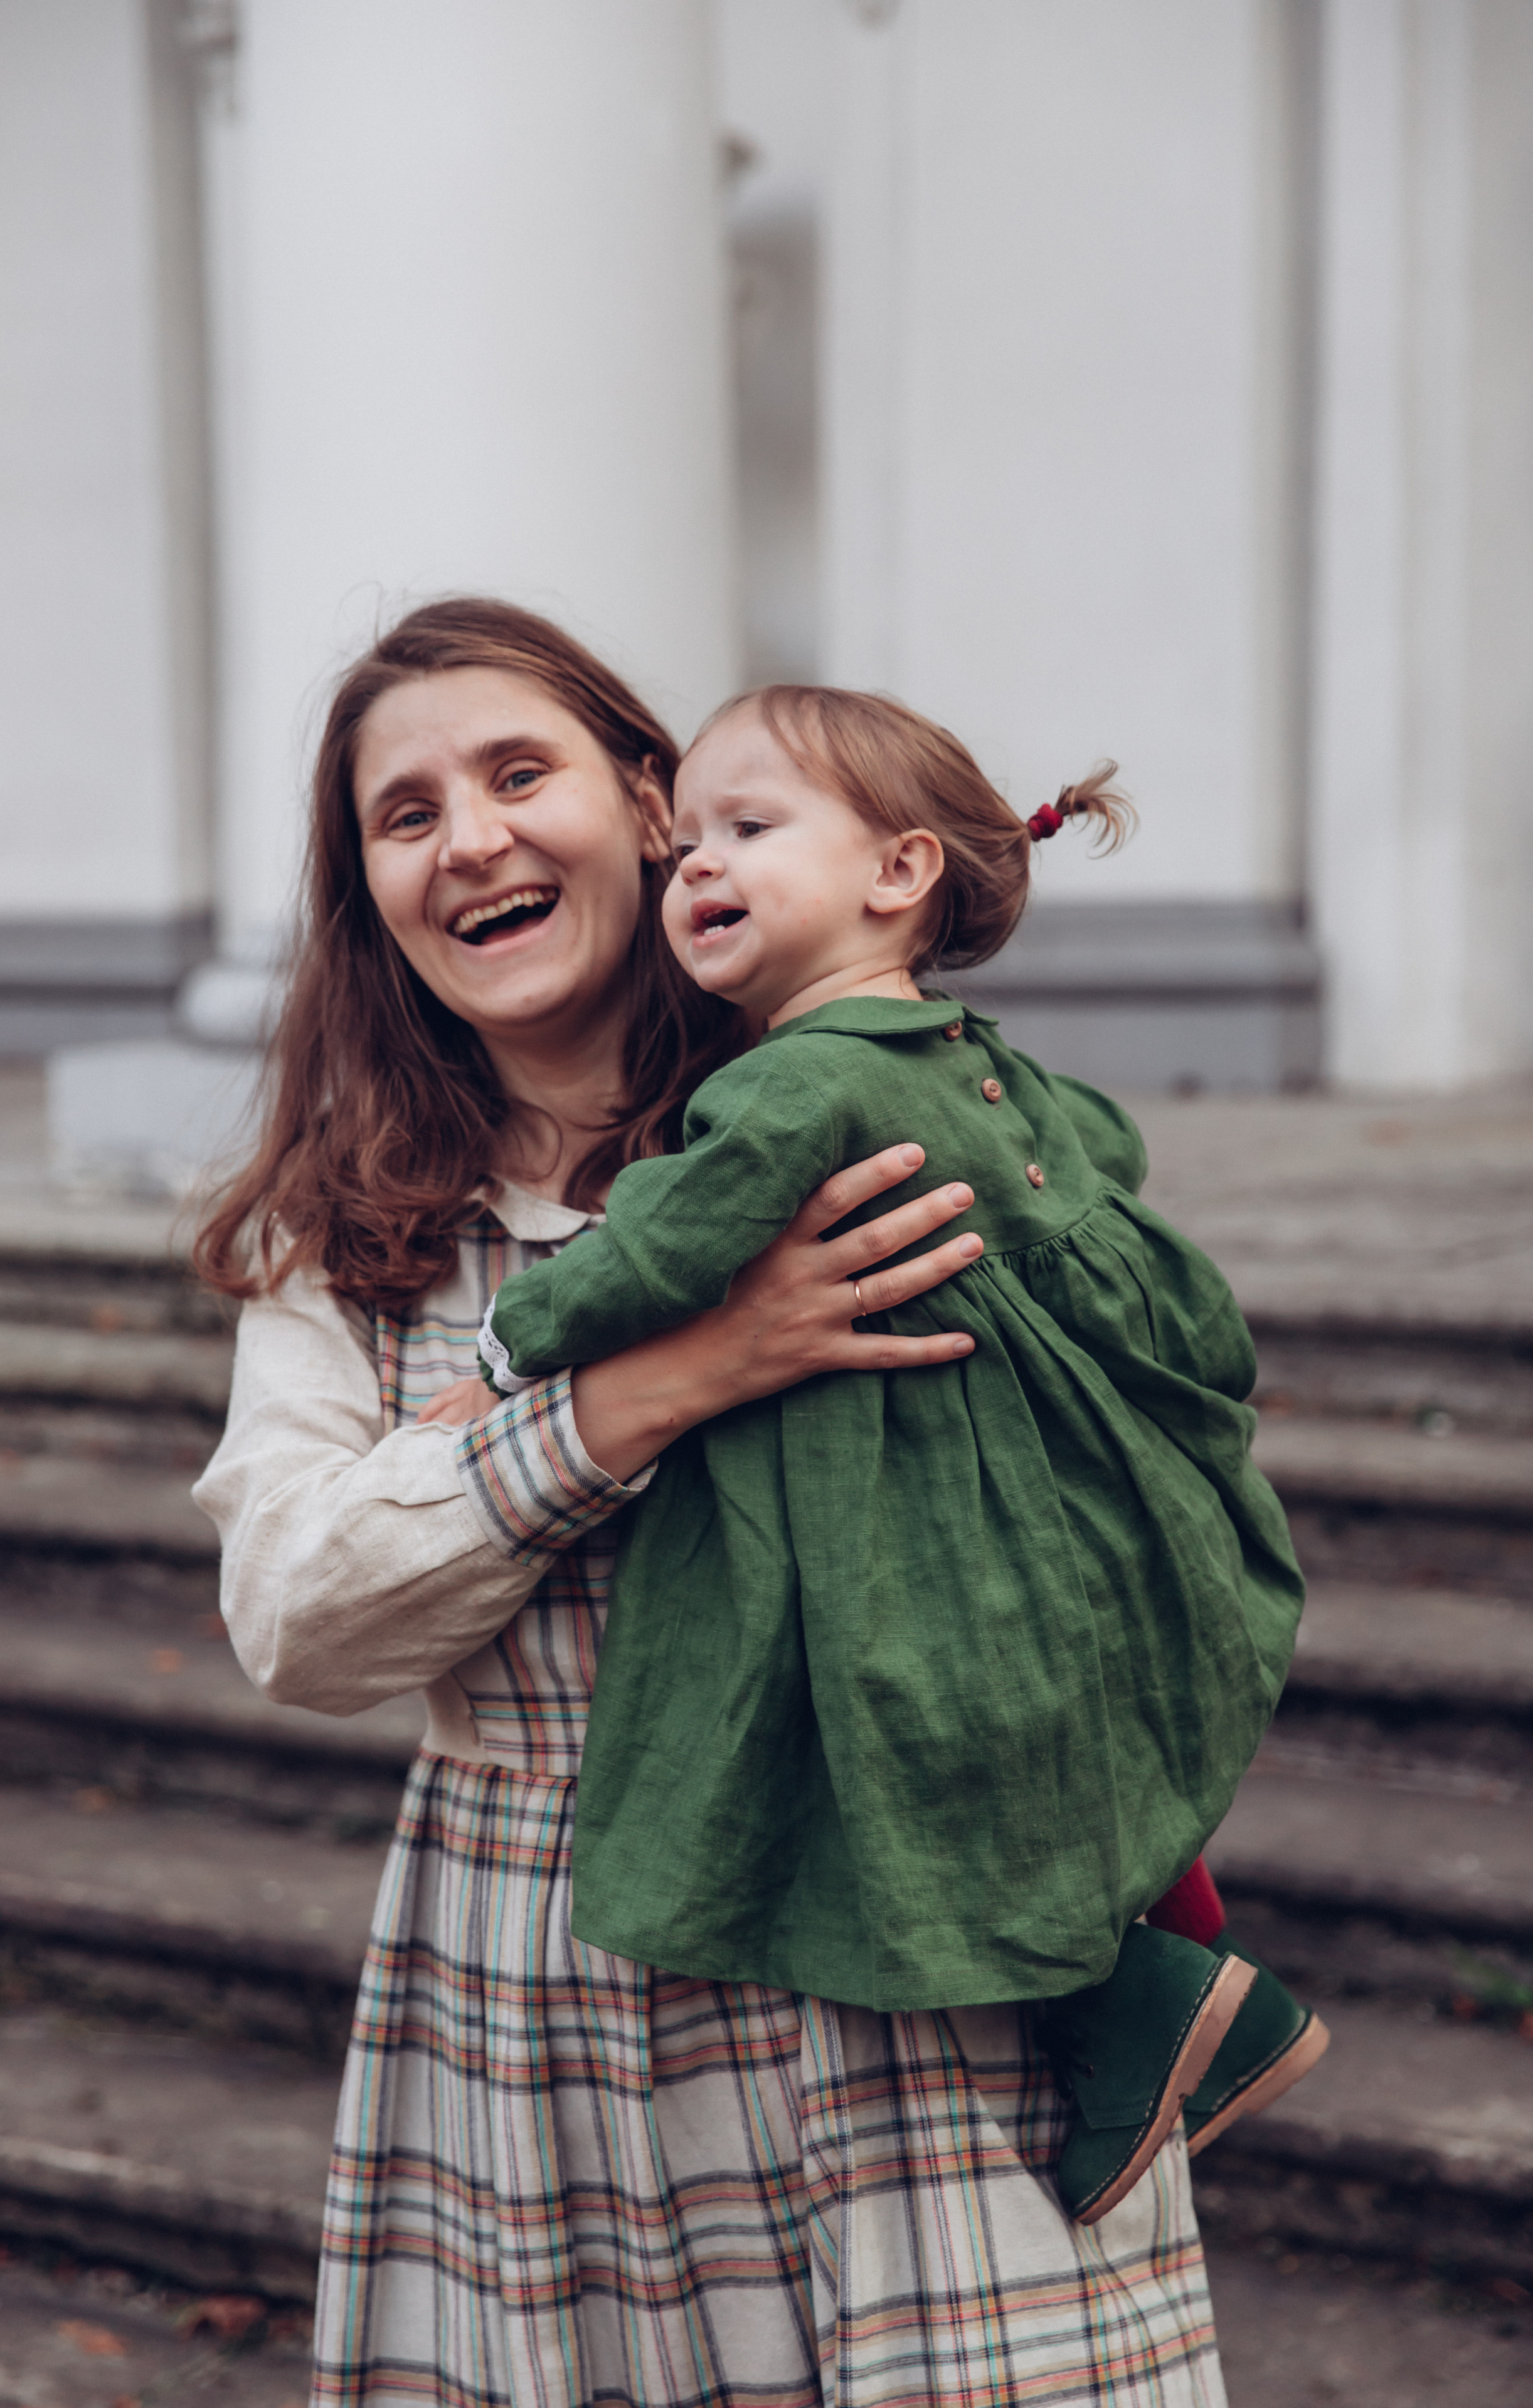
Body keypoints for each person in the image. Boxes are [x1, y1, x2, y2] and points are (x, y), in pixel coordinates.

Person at [194, 599, 1234, 2407]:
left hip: (898, 1914)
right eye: (408, 815)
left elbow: (1118, 1464)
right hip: (542, 1958)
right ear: (371, 896)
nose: (472, 839)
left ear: (651, 807)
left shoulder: (871, 1119)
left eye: (519, 774)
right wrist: (660, 1384)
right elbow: (298, 1618)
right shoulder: (347, 1237)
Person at [472, 685, 1326, 2222]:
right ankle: (1162, 1996)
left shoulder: (789, 1082)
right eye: (685, 845)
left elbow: (659, 1246)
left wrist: (505, 1341)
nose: (696, 865)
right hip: (1072, 1498)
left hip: (921, 1503)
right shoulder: (969, 1053)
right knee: (1023, 1752)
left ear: (897, 871)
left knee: (879, 1743)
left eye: (748, 827)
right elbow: (1107, 1163)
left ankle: (1146, 2003)